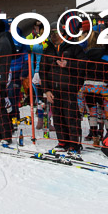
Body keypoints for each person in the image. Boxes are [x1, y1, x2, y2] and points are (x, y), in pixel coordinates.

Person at [40, 21, 86, 152]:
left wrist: (68, 64)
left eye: (56, 32)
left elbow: (84, 64)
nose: (54, 35)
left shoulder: (74, 47)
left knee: (71, 117)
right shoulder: (48, 49)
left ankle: (74, 144)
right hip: (53, 89)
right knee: (57, 117)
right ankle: (62, 142)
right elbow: (43, 71)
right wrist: (46, 90)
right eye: (52, 32)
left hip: (70, 88)